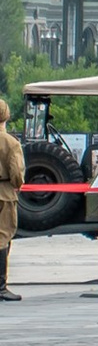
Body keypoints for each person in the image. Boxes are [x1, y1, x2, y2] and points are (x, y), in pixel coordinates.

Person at [0, 90, 22, 300]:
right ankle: (1, 287)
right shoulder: (10, 142)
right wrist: (18, 184)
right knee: (2, 237)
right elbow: (16, 172)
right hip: (3, 193)